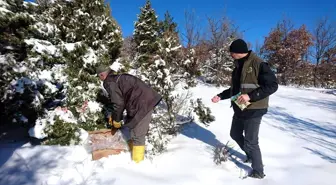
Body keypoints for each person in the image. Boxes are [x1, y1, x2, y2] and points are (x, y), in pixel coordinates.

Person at [211, 39, 278, 179]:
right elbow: (235, 89)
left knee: (251, 141)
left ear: (237, 52)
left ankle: (258, 171)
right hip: (239, 107)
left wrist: (250, 96)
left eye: (231, 53)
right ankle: (249, 155)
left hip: (255, 108)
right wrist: (220, 96)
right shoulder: (237, 66)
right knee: (235, 134)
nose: (230, 55)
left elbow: (272, 85)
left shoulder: (258, 64)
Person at [96, 65, 162, 163]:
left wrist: (116, 120)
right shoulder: (118, 78)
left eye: (99, 76)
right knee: (132, 126)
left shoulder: (109, 82)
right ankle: (130, 155)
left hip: (141, 103)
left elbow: (118, 103)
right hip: (144, 100)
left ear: (102, 75)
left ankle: (137, 164)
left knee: (138, 134)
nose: (99, 79)